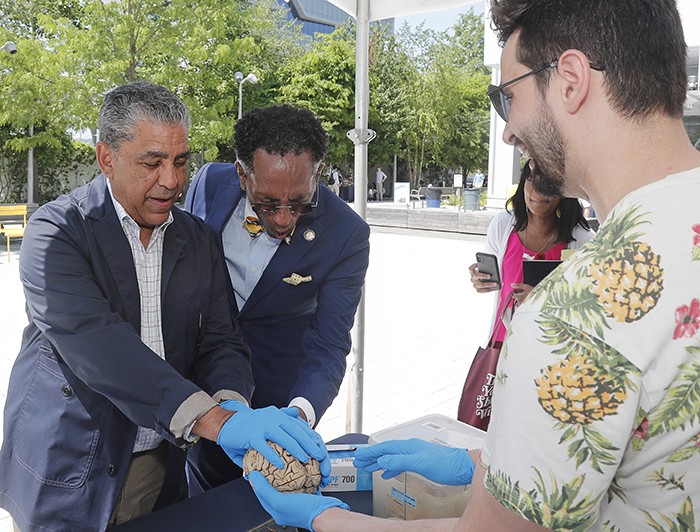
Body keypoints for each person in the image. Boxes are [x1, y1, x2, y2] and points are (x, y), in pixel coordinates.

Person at [242, 0, 700, 529]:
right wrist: (480, 464)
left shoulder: (574, 313)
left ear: (571, 80)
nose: (508, 131)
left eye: (508, 97)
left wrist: (320, 517)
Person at [0, 82, 329, 531]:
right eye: (152, 162)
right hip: (71, 465)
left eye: (180, 162)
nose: (172, 181)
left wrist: (231, 407)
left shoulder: (196, 238)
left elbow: (221, 341)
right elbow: (103, 349)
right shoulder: (56, 233)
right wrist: (213, 422)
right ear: (106, 159)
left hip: (162, 464)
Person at [184, 104, 370, 493]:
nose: (284, 218)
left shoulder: (346, 234)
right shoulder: (207, 183)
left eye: (299, 202)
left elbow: (329, 343)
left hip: (273, 404)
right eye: (267, 203)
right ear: (241, 174)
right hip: (194, 395)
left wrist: (297, 416)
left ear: (318, 173)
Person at [469, 160, 594, 345]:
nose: (538, 191)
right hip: (502, 345)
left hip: (550, 350)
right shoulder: (503, 225)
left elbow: (591, 305)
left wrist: (543, 300)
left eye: (548, 183)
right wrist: (480, 279)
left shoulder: (583, 240)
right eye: (531, 180)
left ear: (564, 190)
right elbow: (491, 277)